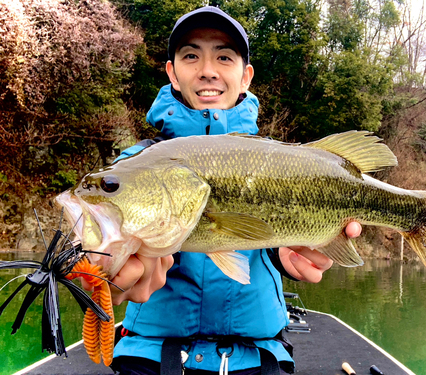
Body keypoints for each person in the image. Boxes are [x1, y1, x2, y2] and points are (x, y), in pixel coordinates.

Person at [107, 6, 362, 375]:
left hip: (256, 355)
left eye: (223, 56)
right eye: (191, 55)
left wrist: (280, 255)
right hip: (150, 354)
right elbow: (96, 239)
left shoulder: (282, 161)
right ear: (172, 74)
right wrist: (101, 275)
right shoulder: (135, 165)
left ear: (245, 77)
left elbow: (258, 238)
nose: (207, 69)